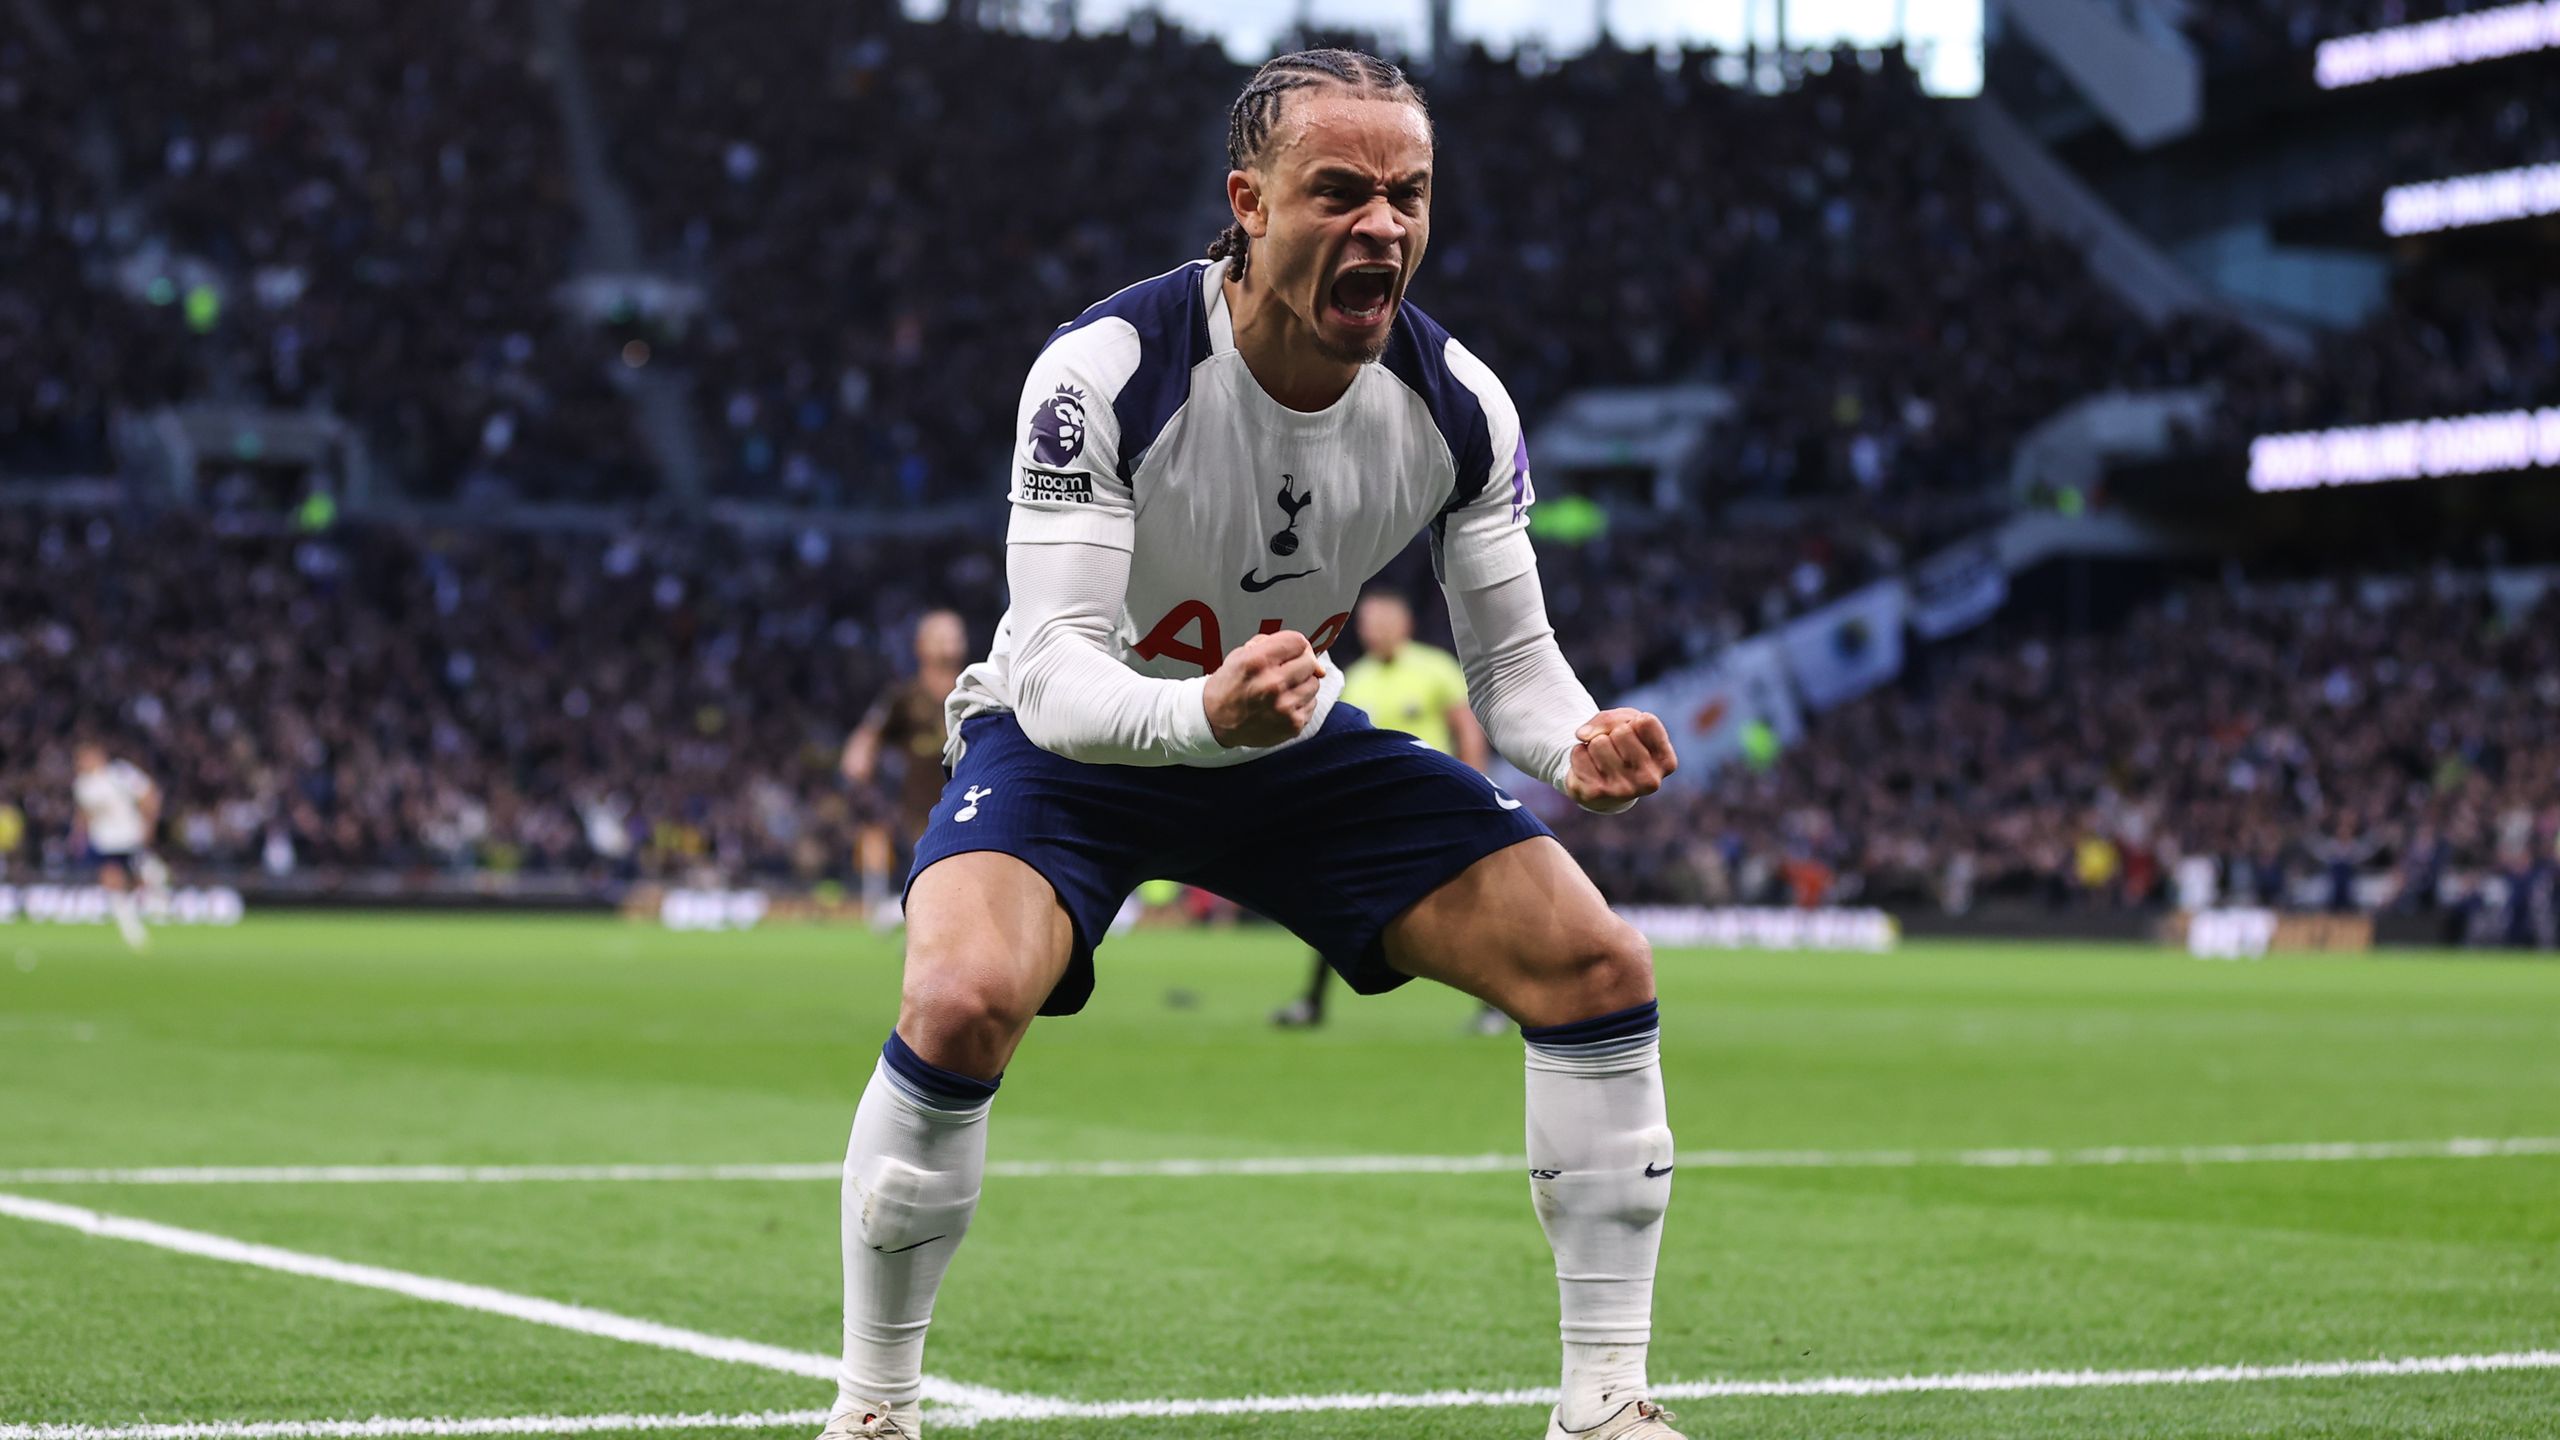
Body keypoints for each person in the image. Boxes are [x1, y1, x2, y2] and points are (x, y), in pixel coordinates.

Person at [822, 49, 1684, 1440]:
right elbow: (1050, 665)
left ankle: (1605, 1403)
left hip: (1284, 747)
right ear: (1250, 203)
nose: (1382, 225)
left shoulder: (1462, 405)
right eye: (1339, 191)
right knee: (964, 997)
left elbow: (1514, 667)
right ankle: (874, 1410)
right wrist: (1200, 713)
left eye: (1408, 195)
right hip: (1077, 747)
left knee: (1596, 966)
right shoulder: (1102, 372)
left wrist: (1576, 739)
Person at [1269, 589, 1507, 1033]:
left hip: (1429, 804)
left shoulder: (1435, 668)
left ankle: (1494, 1007)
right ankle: (1313, 1003)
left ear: (1404, 625)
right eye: (1365, 623)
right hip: (1366, 808)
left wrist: (1476, 787)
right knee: (1332, 898)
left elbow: (1466, 730)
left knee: (1463, 903)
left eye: (1380, 622)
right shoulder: (1354, 677)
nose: (1371, 631)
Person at [840, 612, 970, 928]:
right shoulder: (905, 698)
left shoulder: (975, 692)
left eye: (955, 636)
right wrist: (861, 759)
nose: (950, 644)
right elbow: (865, 742)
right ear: (921, 646)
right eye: (942, 637)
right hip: (921, 814)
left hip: (971, 803)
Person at [71, 743, 159, 952]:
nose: (82, 763)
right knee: (111, 879)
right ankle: (129, 925)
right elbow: (84, 812)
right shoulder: (82, 784)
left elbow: (148, 794)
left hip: (129, 836)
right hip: (104, 840)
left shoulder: (120, 773)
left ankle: (152, 886)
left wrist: (148, 823)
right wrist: (78, 834)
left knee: (138, 880)